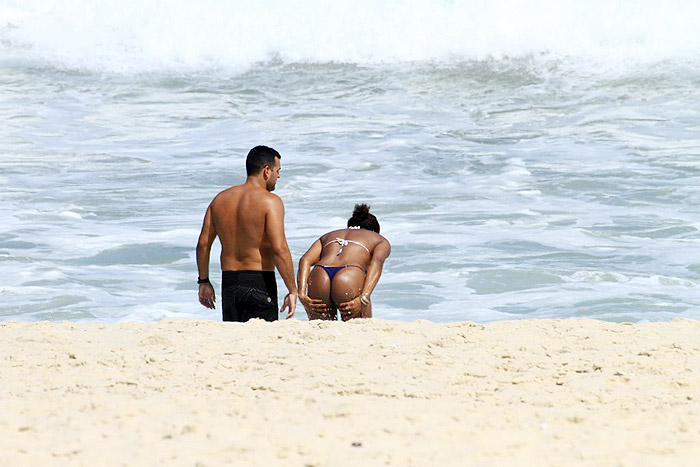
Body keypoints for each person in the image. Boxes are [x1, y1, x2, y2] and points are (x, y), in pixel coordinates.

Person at [196, 145, 297, 322]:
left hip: (229, 285)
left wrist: (203, 281)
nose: (278, 176)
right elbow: (279, 249)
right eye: (277, 171)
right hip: (259, 283)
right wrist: (292, 290)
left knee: (236, 342)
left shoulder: (220, 200)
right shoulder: (270, 202)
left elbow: (203, 244)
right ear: (267, 171)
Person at [298, 204, 391, 321]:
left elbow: (305, 260)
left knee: (322, 330)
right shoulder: (379, 240)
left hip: (320, 274)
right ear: (374, 231)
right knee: (360, 330)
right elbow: (376, 264)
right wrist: (364, 297)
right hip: (348, 276)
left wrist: (301, 294)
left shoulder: (328, 236)